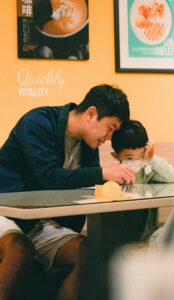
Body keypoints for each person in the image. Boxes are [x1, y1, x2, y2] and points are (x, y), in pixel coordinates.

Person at [0, 84, 133, 300]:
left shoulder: (89, 144)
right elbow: (49, 177)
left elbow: (84, 187)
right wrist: (103, 173)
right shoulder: (37, 122)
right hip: (6, 211)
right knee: (19, 250)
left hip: (38, 221)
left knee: (91, 253)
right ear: (91, 114)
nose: (109, 137)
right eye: (110, 128)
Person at [111, 120, 174, 242]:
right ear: (116, 156)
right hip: (123, 240)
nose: (137, 161)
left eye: (141, 156)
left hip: (149, 238)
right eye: (130, 158)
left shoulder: (149, 174)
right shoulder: (114, 178)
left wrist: (152, 158)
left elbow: (173, 177)